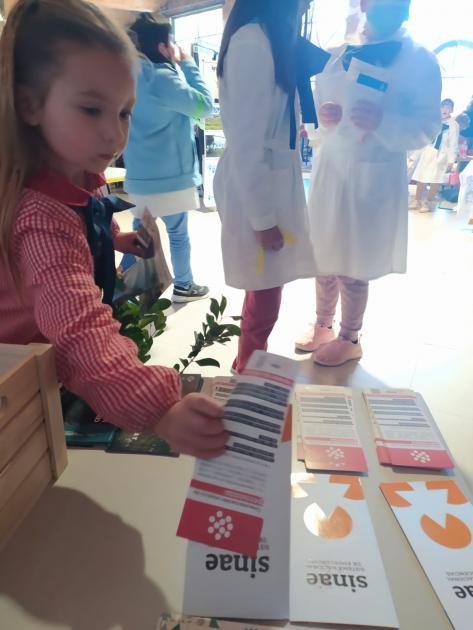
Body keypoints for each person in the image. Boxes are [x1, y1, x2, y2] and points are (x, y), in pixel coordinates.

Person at [0, 0, 227, 459]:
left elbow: (72, 245)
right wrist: (160, 408)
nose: (115, 134)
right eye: (91, 110)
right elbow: (79, 333)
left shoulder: (79, 174)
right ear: (29, 103)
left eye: (124, 113)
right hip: (17, 387)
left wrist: (117, 241)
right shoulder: (40, 214)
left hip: (39, 373)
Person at [296, 0, 442, 366]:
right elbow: (318, 102)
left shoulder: (422, 60)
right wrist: (324, 115)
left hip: (373, 171)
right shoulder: (342, 51)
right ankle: (323, 324)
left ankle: (350, 336)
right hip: (333, 168)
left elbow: (427, 127)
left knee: (353, 260)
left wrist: (383, 119)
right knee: (324, 252)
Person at [215, 0, 326, 373]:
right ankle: (248, 365)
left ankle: (248, 358)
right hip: (258, 188)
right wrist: (263, 219)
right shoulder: (252, 43)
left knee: (264, 285)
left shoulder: (267, 40)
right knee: (265, 290)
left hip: (271, 181)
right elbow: (247, 143)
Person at [122, 14, 213, 304]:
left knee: (140, 234)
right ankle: (184, 286)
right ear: (163, 46)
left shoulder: (126, 76)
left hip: (138, 176)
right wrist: (186, 63)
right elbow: (205, 106)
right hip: (170, 178)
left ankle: (127, 288)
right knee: (177, 233)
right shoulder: (164, 79)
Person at [411, 98, 460, 212]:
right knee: (421, 177)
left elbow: (453, 143)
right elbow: (423, 137)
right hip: (428, 151)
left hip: (441, 155)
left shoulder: (453, 125)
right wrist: (415, 155)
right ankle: (417, 201)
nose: (445, 109)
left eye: (448, 107)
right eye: (443, 106)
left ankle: (429, 202)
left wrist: (451, 160)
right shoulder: (433, 120)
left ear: (452, 110)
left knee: (435, 179)